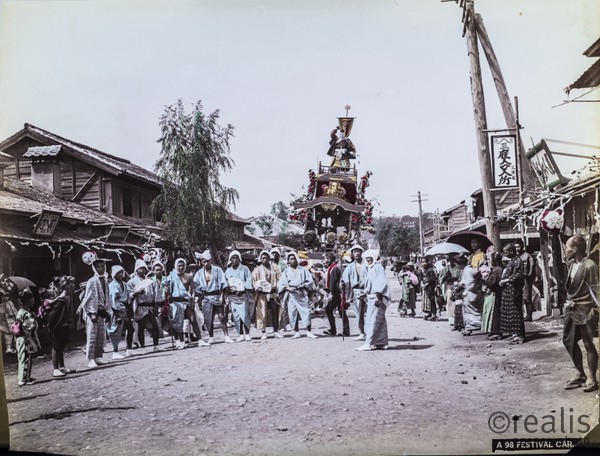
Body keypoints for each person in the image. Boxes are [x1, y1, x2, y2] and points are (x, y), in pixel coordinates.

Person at [562, 235, 599, 392]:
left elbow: (596, 290)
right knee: (567, 340)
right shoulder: (571, 263)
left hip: (585, 309)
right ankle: (580, 373)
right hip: (571, 309)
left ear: (575, 249)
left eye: (567, 247)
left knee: (587, 343)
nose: (565, 250)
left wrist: (595, 311)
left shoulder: (590, 265)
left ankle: (592, 377)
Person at [194, 251, 233, 344]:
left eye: (207, 261)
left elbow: (223, 283)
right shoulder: (199, 273)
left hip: (217, 295)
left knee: (221, 316)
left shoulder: (217, 270)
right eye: (203, 261)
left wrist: (223, 296)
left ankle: (226, 336)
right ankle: (211, 337)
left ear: (210, 260)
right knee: (208, 318)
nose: (205, 263)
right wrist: (197, 297)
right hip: (206, 297)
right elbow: (196, 285)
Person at [277, 251, 317, 339]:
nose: (293, 260)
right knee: (292, 313)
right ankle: (296, 331)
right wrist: (288, 288)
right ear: (288, 260)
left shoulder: (303, 270)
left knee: (306, 312)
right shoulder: (286, 271)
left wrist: (302, 286)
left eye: (294, 258)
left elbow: (310, 281)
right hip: (291, 294)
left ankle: (309, 331)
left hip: (301, 293)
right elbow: (281, 284)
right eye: (291, 259)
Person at [356, 250, 390, 351]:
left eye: (370, 258)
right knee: (380, 320)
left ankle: (368, 343)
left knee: (373, 321)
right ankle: (381, 342)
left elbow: (381, 282)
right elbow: (369, 284)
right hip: (371, 297)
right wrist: (365, 292)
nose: (368, 260)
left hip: (377, 297)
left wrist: (378, 296)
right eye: (367, 259)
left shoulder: (378, 267)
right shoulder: (370, 269)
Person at [80, 258, 110, 368]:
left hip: (102, 311)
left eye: (102, 266)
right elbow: (89, 298)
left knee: (101, 336)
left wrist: (107, 311)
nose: (100, 269)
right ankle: (90, 358)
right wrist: (92, 313)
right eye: (98, 267)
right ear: (94, 268)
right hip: (93, 312)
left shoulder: (105, 280)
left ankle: (98, 356)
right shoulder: (92, 281)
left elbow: (106, 296)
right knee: (92, 335)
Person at [45, 276, 76, 377]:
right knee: (56, 346)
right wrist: (53, 326)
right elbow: (54, 315)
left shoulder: (67, 296)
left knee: (61, 346)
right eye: (70, 283)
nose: (73, 285)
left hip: (64, 324)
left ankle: (62, 367)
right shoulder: (61, 299)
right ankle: (55, 369)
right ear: (65, 285)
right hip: (58, 325)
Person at [128, 259, 161, 353]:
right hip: (140, 306)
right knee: (141, 327)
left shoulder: (150, 281)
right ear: (136, 269)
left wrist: (155, 305)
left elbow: (156, 293)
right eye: (140, 268)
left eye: (143, 268)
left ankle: (156, 345)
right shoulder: (132, 282)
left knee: (155, 325)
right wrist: (136, 292)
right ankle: (143, 347)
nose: (142, 270)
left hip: (149, 306)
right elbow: (129, 295)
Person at [252, 250, 283, 339]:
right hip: (262, 294)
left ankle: (276, 331)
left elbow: (280, 280)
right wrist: (258, 286)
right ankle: (263, 332)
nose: (265, 259)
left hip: (273, 294)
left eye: (266, 258)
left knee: (275, 312)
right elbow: (254, 281)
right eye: (263, 258)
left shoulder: (275, 268)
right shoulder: (257, 270)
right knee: (262, 313)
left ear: (269, 258)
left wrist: (276, 287)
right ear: (261, 259)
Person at [499, 243, 525, 344]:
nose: (505, 254)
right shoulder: (512, 261)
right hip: (508, 290)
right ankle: (514, 333)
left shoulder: (518, 261)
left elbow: (518, 275)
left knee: (516, 313)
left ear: (511, 251)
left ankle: (519, 335)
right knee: (510, 313)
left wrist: (505, 281)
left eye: (506, 252)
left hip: (514, 290)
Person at [225, 250, 254, 342]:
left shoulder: (245, 269)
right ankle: (240, 334)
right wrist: (229, 289)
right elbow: (226, 282)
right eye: (232, 258)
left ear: (239, 259)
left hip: (242, 295)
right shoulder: (228, 270)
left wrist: (242, 289)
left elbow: (249, 280)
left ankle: (247, 334)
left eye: (236, 258)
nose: (234, 260)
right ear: (230, 259)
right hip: (233, 296)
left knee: (245, 315)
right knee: (236, 316)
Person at [107, 265, 135, 359]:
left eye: (121, 272)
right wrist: (116, 313)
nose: (120, 274)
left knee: (130, 328)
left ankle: (129, 349)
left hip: (125, 308)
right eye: (118, 272)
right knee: (116, 331)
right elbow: (112, 300)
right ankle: (115, 351)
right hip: (116, 310)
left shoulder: (124, 284)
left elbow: (128, 296)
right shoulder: (112, 285)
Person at [341, 245, 367, 340]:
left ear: (361, 252)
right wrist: (342, 283)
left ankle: (370, 332)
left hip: (367, 291)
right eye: (354, 251)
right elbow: (345, 280)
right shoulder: (350, 267)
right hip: (356, 292)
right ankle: (361, 332)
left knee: (370, 312)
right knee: (358, 313)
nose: (356, 253)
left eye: (358, 251)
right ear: (352, 254)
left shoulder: (367, 265)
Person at [167, 258, 195, 349]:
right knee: (177, 323)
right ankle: (180, 341)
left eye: (182, 265)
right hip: (175, 302)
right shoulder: (171, 276)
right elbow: (167, 289)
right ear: (176, 266)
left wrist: (192, 298)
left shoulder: (188, 276)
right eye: (179, 265)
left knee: (193, 320)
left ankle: (200, 339)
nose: (181, 267)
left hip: (186, 300)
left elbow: (193, 289)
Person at [14, 306, 40, 386]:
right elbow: (30, 326)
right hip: (25, 338)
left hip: (19, 338)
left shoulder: (20, 311)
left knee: (22, 357)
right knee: (26, 358)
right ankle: (23, 379)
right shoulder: (26, 313)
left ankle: (24, 377)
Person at [323, 252, 348, 336]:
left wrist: (330, 293)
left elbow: (333, 282)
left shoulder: (334, 268)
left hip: (336, 293)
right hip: (336, 292)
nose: (325, 261)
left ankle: (341, 330)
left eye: (326, 259)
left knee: (336, 310)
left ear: (330, 259)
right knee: (339, 311)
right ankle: (341, 330)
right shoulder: (333, 267)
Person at [482, 252, 503, 339]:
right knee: (494, 312)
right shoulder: (497, 269)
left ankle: (496, 331)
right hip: (496, 292)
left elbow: (491, 283)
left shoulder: (497, 270)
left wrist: (483, 280)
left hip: (496, 292)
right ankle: (494, 331)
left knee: (495, 312)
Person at [459, 263, 484, 336]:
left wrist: (463, 287)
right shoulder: (471, 269)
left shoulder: (467, 270)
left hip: (470, 293)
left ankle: (470, 327)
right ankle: (478, 325)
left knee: (469, 312)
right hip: (475, 292)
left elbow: (470, 283)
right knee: (476, 311)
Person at [515, 240, 535, 321]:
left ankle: (529, 315)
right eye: (516, 247)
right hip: (517, 279)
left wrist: (529, 276)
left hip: (526, 279)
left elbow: (532, 267)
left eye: (518, 247)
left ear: (522, 246)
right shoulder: (515, 256)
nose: (517, 248)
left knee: (527, 298)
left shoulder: (527, 256)